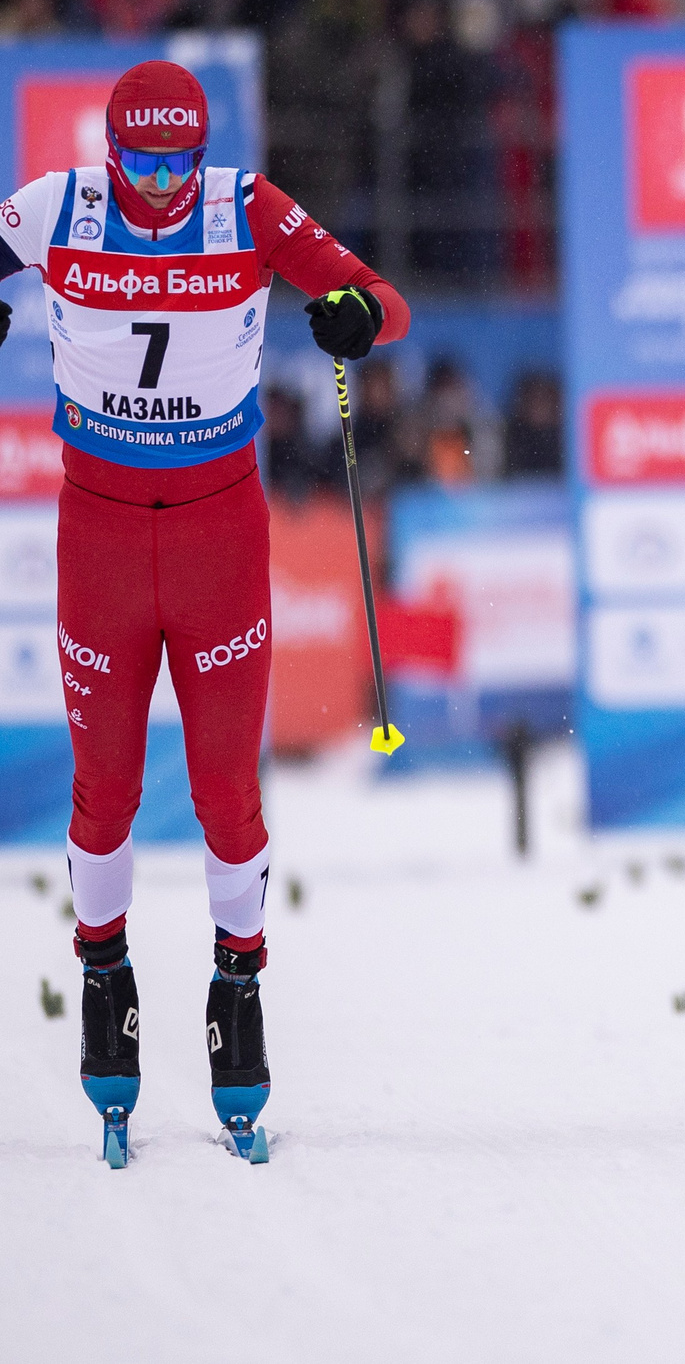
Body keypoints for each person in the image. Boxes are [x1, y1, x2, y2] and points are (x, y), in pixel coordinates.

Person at [0, 60, 410, 1160]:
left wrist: (350, 315)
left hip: (219, 540)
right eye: (142, 162)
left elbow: (381, 300)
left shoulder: (246, 206)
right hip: (98, 539)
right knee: (106, 792)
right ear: (111, 152)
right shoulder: (59, 208)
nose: (164, 185)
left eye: (179, 161)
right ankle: (103, 965)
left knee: (227, 790)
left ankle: (239, 984)